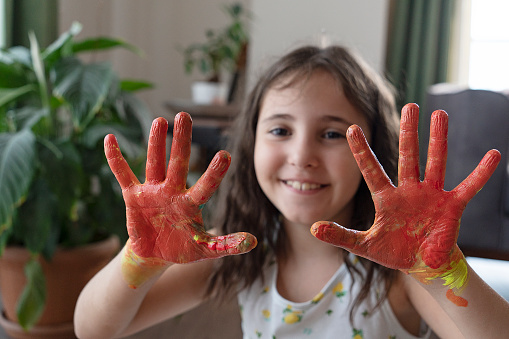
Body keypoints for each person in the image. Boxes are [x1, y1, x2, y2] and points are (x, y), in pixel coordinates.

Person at [74, 45, 509, 339]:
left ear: (374, 151)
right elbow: (92, 329)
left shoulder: (398, 271)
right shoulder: (236, 253)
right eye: (281, 129)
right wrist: (138, 260)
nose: (302, 155)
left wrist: (447, 275)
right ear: (251, 145)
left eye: (333, 134)